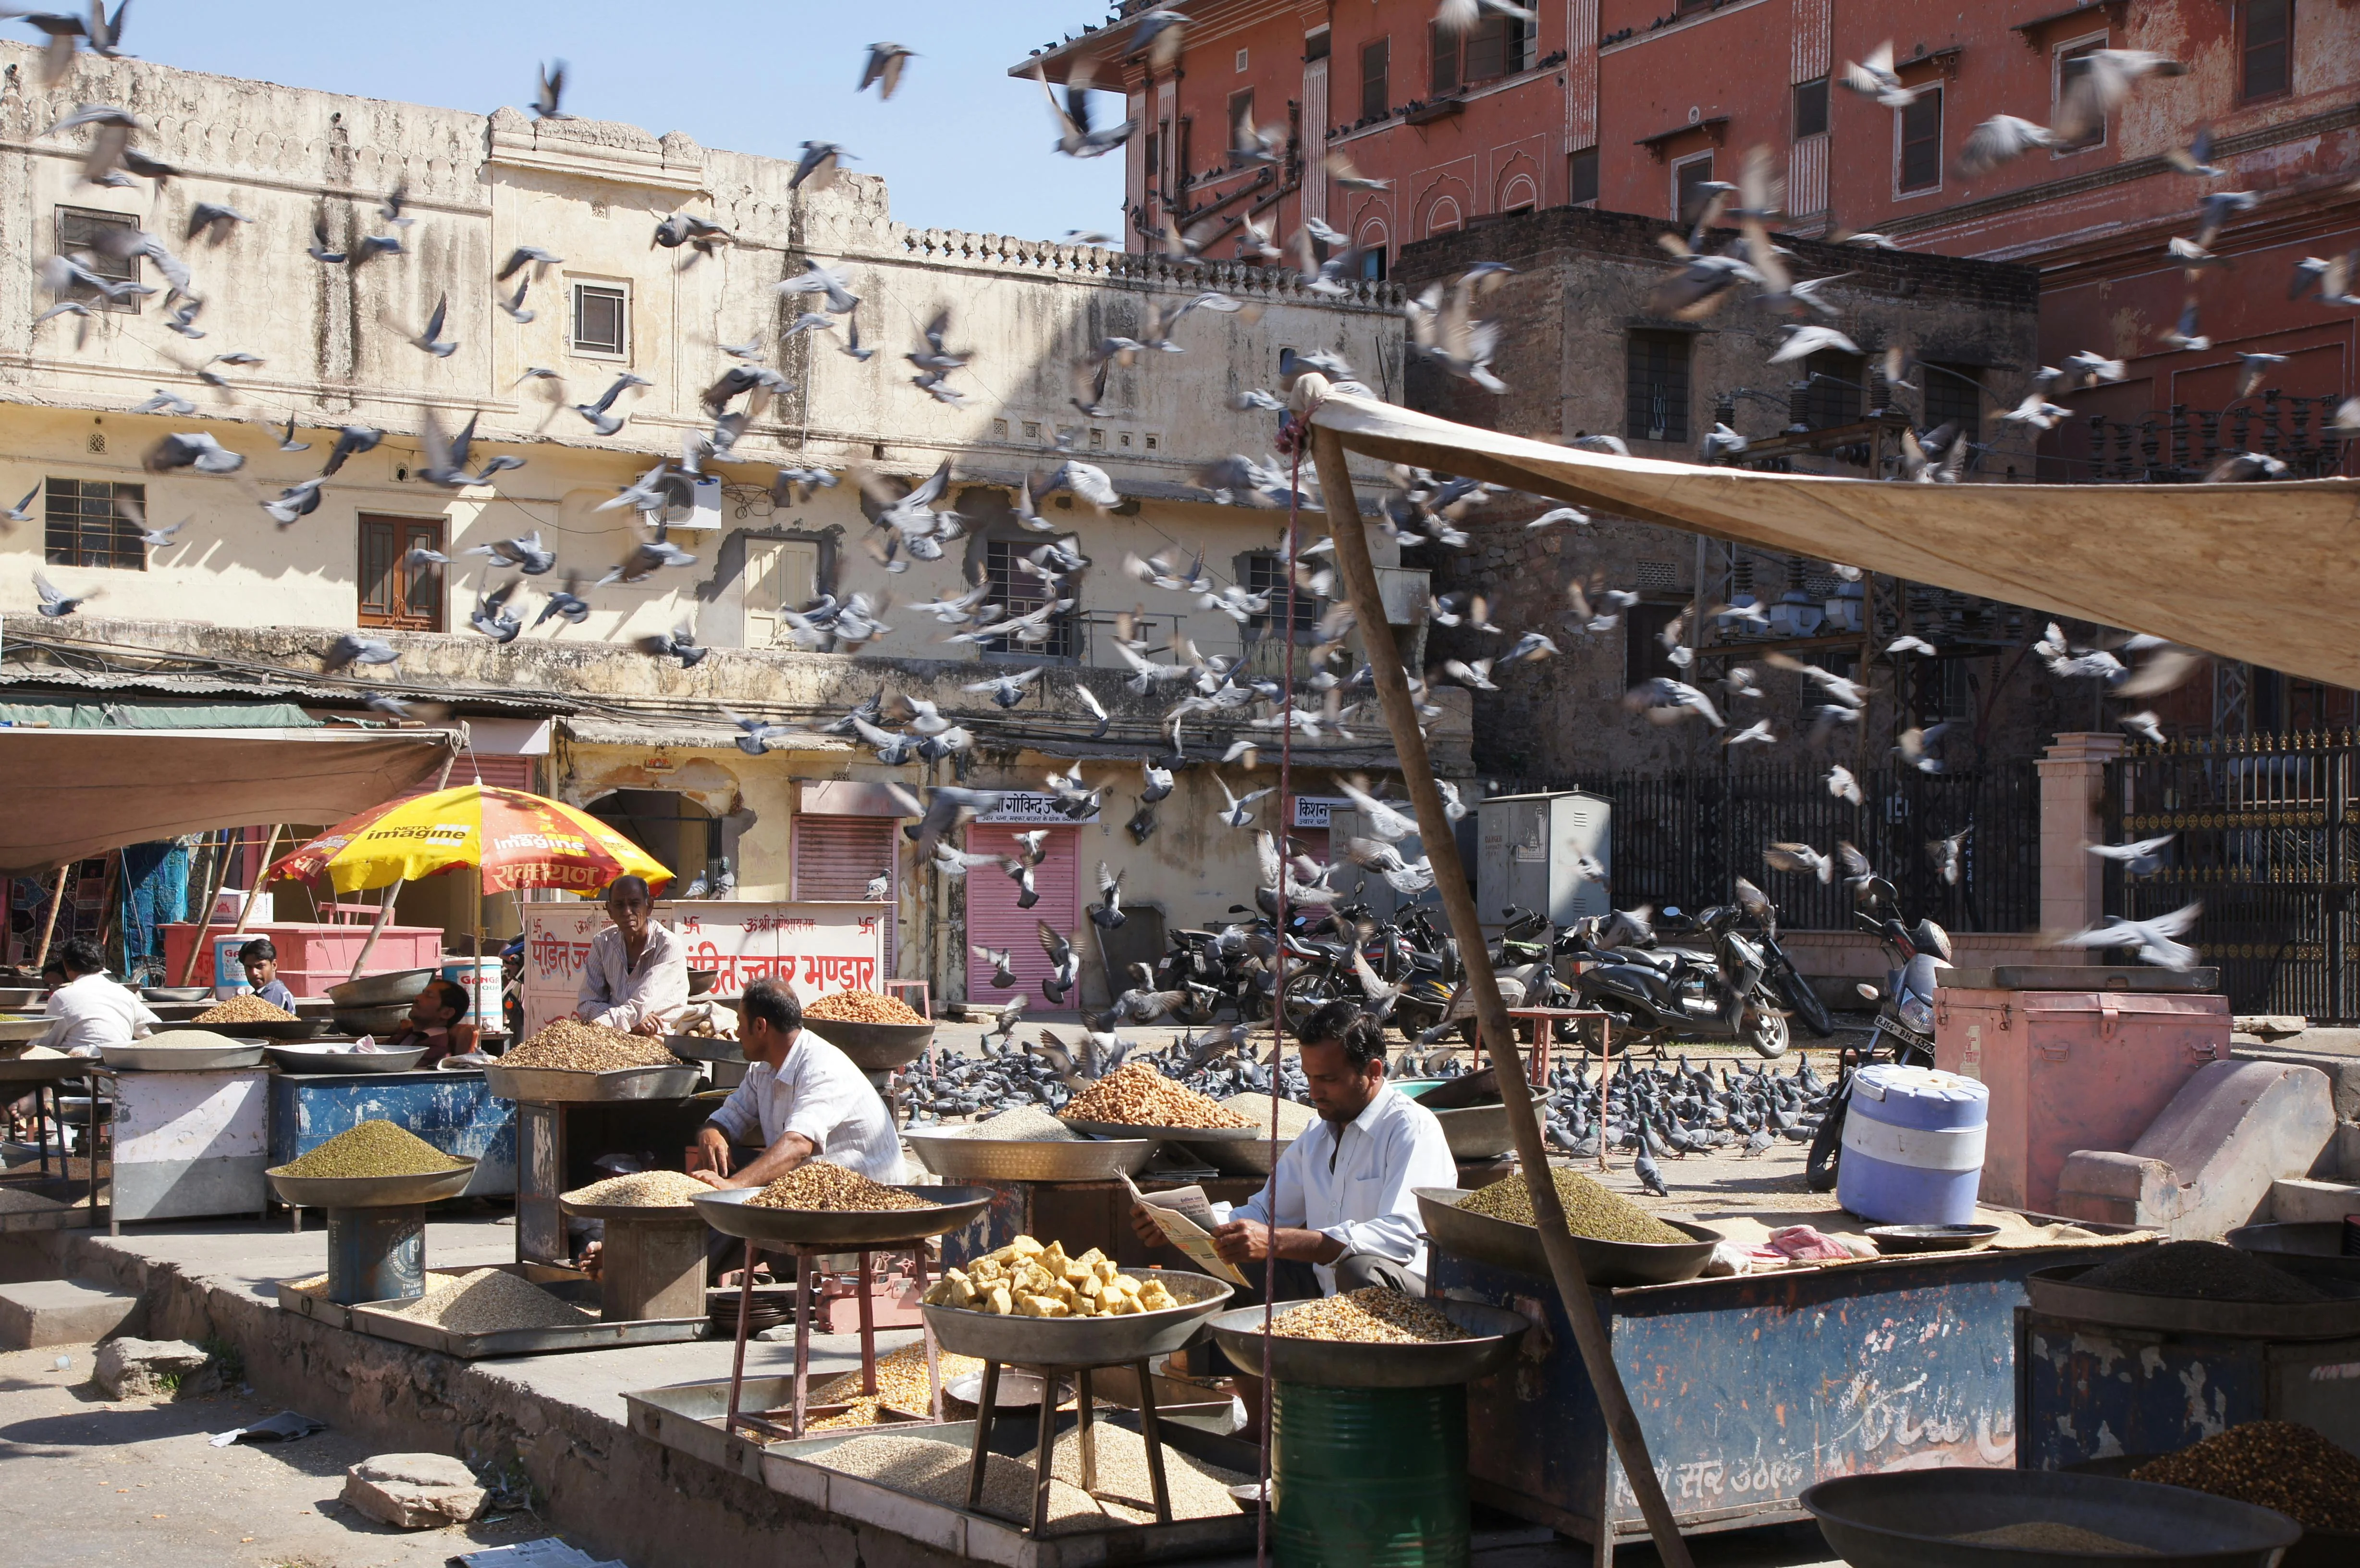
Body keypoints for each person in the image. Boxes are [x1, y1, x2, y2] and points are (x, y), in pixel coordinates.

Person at [1132, 999, 1456, 1298]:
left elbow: (1400, 1239)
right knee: (1215, 1260)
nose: (1314, 1092)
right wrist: (1183, 1223)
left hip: (1407, 1297)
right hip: (1324, 1289)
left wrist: (1276, 1241)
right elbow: (1264, 1213)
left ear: (1373, 1072)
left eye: (1327, 1079)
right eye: (1309, 1077)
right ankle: (1230, 1361)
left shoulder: (1411, 1128)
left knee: (1360, 1270)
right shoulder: (1319, 1131)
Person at [691, 978, 902, 1190]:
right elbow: (731, 1116)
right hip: (818, 1188)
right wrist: (712, 1134)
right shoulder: (763, 1070)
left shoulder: (822, 1068)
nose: (737, 1033)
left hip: (868, 1194)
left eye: (740, 1024)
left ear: (760, 1026)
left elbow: (799, 1144)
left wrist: (735, 1185)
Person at [576, 875, 688, 1038]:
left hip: (660, 1036)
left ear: (649, 906)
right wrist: (632, 1021)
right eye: (619, 905)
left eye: (635, 904)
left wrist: (623, 1019)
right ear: (610, 911)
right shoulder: (602, 942)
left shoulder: (668, 945)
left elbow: (641, 1005)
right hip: (614, 1035)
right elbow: (587, 1004)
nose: (627, 912)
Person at [35, 938, 160, 1057]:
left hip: (79, 1073)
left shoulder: (62, 997)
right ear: (102, 964)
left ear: (66, 966)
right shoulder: (124, 993)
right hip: (120, 1068)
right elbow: (156, 1031)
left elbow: (44, 1045)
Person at [383, 977, 479, 1067]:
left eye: (429, 996)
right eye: (422, 993)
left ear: (447, 1013)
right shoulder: (407, 1034)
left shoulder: (436, 1050)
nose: (417, 998)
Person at [237, 938, 298, 1010]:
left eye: (260, 966)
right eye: (249, 967)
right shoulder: (257, 996)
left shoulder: (275, 994)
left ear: (274, 965)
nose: (254, 973)